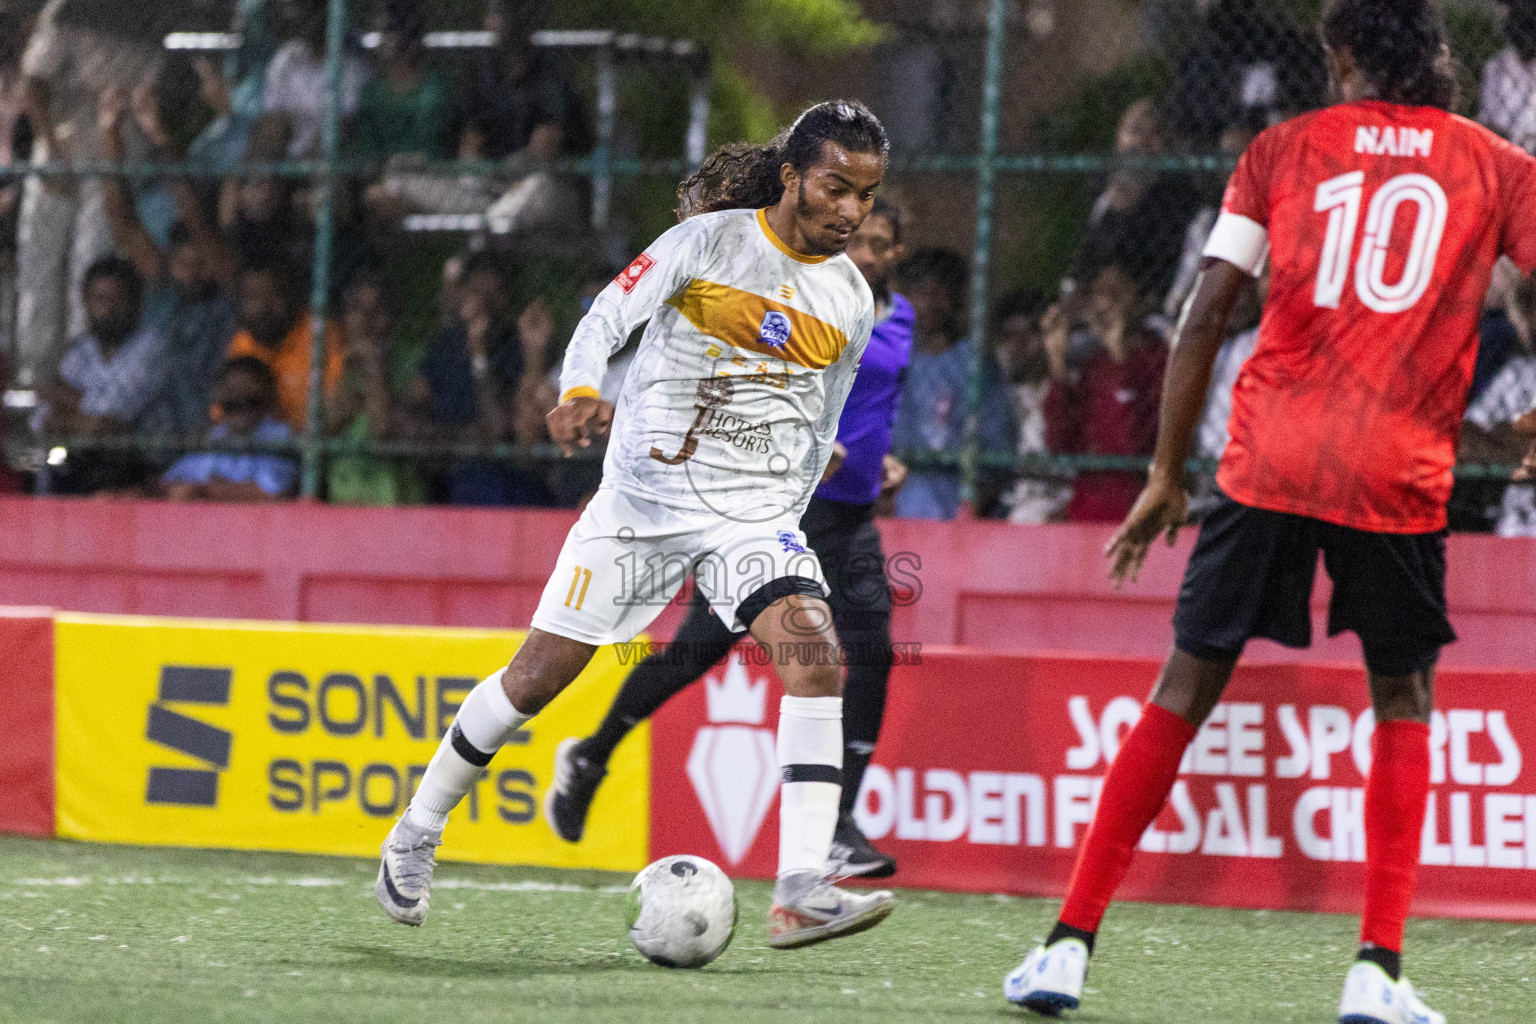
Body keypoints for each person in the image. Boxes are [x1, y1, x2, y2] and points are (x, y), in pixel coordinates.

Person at [1004, 3, 1536, 1021]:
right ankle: (1376, 971)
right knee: (1403, 699)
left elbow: (1205, 312)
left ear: (1338, 57)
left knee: (1185, 685)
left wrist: (1166, 473)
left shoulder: (1279, 149)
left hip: (1270, 459)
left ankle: (1067, 945)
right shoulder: (1495, 163)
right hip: (1397, 468)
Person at [376, 100, 895, 950]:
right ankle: (418, 828)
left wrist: (791, 507)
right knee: (536, 681)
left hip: (749, 518)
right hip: (641, 508)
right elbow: (606, 320)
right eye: (836, 188)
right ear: (795, 176)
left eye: (865, 198)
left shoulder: (849, 299)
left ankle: (802, 885)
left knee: (814, 651)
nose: (849, 211)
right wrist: (580, 389)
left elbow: (822, 421)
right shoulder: (708, 245)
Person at [542, 197, 914, 879]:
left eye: (883, 242)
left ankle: (838, 824)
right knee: (693, 655)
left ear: (896, 254)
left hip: (851, 518)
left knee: (874, 654)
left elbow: (870, 404)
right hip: (771, 510)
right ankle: (592, 756)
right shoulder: (811, 295)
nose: (868, 250)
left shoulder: (897, 318)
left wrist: (883, 457)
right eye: (862, 237)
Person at [12, 0, 162, 389]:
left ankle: (81, 385)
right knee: (39, 275)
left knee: (93, 269)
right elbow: (32, 85)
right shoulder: (68, 9)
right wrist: (55, 155)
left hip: (114, 159)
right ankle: (35, 387)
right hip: (60, 154)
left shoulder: (151, 13)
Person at [401, 253, 553, 506]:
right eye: (477, 293)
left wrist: (478, 353)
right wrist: (449, 435)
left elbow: (498, 428)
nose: (483, 304)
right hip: (447, 462)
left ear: (506, 300)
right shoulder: (443, 345)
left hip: (501, 473)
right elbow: (416, 405)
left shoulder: (517, 346)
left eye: (492, 295)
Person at [890, 247, 1014, 520]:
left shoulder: (975, 363)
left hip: (959, 505)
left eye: (937, 293)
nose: (927, 303)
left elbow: (998, 448)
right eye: (918, 293)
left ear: (955, 299)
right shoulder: (894, 359)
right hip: (899, 501)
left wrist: (973, 509)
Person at [1043, 264, 1168, 523]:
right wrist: (1057, 362)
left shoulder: (1160, 359)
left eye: (1117, 292)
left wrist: (1119, 358)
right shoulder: (1095, 364)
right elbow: (1060, 444)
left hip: (1136, 500)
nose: (1106, 303)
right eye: (1099, 294)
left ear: (1144, 301)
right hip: (1089, 500)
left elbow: (1136, 447)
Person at [35, 256, 168, 494]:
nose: (108, 308)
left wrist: (67, 403)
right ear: (86, 301)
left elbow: (109, 419)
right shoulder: (81, 350)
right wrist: (81, 413)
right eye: (100, 298)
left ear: (135, 302)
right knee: (51, 460)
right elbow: (43, 420)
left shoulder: (151, 348)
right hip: (81, 464)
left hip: (137, 470)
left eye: (117, 298)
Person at [226, 256, 343, 433]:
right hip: (259, 450)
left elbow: (336, 409)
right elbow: (224, 417)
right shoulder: (242, 343)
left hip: (311, 447)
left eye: (272, 295)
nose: (262, 307)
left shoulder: (320, 334)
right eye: (253, 298)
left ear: (291, 296)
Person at [161, 357, 297, 502]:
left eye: (249, 396)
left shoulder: (280, 435)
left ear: (267, 396)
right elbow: (172, 480)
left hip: (258, 522)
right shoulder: (217, 435)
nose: (239, 400)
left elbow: (274, 491)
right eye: (231, 397)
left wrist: (206, 490)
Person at [994, 288, 1072, 525]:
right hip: (1007, 508)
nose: (1018, 345)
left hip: (1058, 508)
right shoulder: (996, 396)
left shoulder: (1064, 390)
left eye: (1029, 334)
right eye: (1010, 336)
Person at [352, 1, 459, 162]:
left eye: (392, 33)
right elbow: (366, 152)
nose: (385, 41)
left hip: (431, 175)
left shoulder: (436, 87)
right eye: (384, 34)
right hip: (384, 177)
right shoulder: (371, 92)